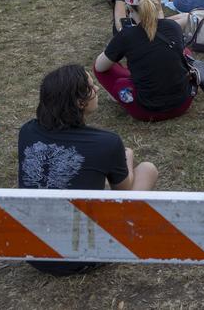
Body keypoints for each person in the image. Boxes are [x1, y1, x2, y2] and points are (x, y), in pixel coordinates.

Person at [18, 65, 158, 274]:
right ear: (79, 102)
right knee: (147, 169)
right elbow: (124, 193)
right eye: (92, 88)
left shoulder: (27, 131)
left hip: (32, 250)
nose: (98, 90)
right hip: (81, 255)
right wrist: (126, 156)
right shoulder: (107, 142)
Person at [95, 0, 195, 122]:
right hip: (183, 103)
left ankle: (120, 93)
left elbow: (100, 67)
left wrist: (112, 49)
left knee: (112, 77)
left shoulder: (126, 36)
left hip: (146, 111)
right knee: (185, 52)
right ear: (155, 4)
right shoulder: (173, 27)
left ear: (128, 9)